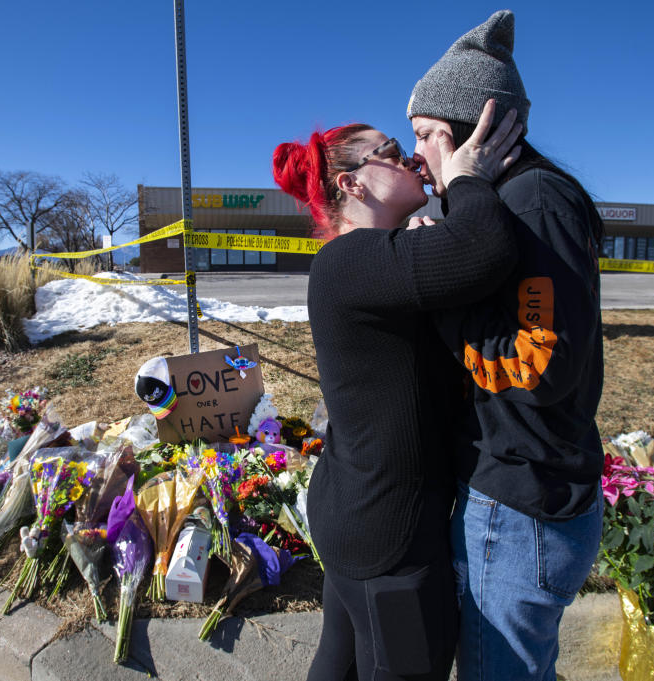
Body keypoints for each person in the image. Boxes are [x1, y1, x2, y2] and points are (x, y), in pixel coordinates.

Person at [273, 100, 523, 681]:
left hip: (359, 513)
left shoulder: (365, 259)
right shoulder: (351, 260)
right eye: (389, 152)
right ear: (351, 183)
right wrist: (467, 178)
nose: (411, 156)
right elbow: (484, 251)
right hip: (390, 536)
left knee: (341, 664)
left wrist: (425, 233)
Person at [407, 10, 606, 681]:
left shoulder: (533, 202)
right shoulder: (503, 201)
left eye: (428, 134)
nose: (419, 153)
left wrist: (444, 300)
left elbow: (539, 366)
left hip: (523, 511)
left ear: (479, 129)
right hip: (522, 496)